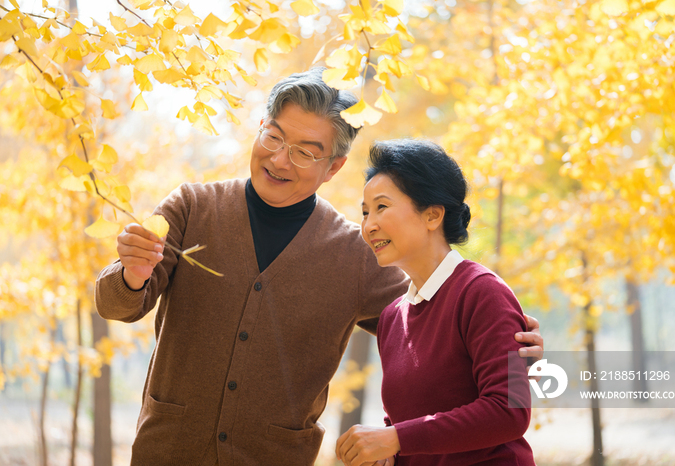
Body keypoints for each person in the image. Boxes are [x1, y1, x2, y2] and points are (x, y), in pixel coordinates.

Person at [94, 68, 543, 465]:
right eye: (273, 137)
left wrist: (514, 344)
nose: (280, 159)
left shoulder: (357, 255)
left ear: (334, 167)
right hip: (168, 450)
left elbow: (442, 321)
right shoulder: (192, 207)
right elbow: (115, 306)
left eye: (306, 152)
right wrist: (132, 275)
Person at [336, 140, 536, 466]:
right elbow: (408, 428)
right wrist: (384, 451)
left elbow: (510, 409)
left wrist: (395, 439)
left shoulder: (484, 293)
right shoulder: (391, 319)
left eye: (382, 207)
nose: (368, 225)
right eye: (365, 212)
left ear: (432, 215)